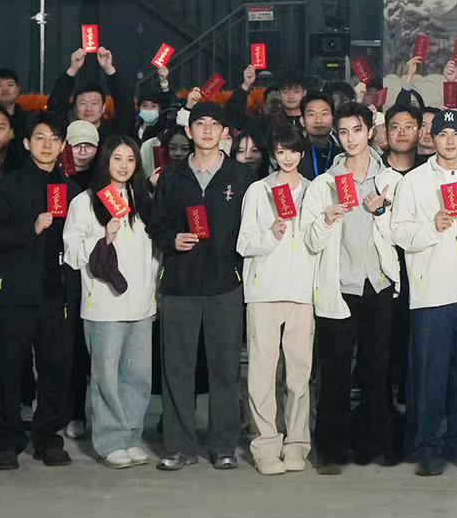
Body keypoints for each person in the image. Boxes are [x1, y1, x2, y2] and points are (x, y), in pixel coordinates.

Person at [390, 108, 457, 476]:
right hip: (431, 292)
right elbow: (399, 232)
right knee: (428, 373)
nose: (450, 141)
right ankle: (424, 444)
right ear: (431, 138)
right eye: (442, 135)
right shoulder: (414, 182)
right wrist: (431, 226)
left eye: (456, 134)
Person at [147, 101, 253, 470]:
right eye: (200, 124)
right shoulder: (172, 177)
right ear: (189, 131)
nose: (207, 130)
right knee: (177, 369)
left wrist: (237, 269)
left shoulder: (242, 177)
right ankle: (179, 446)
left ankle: (223, 445)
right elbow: (155, 223)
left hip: (225, 286)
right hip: (180, 285)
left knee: (225, 368)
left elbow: (252, 227)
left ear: (224, 132)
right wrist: (171, 239)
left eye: (214, 124)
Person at [302, 108, 404, 473]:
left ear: (370, 131)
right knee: (335, 369)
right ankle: (331, 451)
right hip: (340, 284)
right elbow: (310, 240)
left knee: (377, 368)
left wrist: (382, 212)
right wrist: (327, 220)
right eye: (343, 132)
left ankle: (375, 444)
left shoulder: (391, 181)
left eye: (356, 130)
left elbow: (401, 234)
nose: (350, 138)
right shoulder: (323, 184)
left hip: (378, 282)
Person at [0, 113, 78, 470]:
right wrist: (30, 229)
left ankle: (48, 438)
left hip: (57, 294)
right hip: (16, 293)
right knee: (9, 367)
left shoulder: (72, 190)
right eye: (40, 138)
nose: (47, 145)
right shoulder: (9, 186)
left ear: (62, 146)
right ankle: (5, 441)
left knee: (56, 368)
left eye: (54, 139)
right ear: (25, 143)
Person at [64, 137, 159, 469]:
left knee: (138, 376)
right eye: (117, 158)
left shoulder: (143, 199)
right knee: (106, 375)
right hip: (104, 304)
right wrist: (103, 236)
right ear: (105, 161)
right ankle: (110, 441)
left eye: (130, 159)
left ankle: (132, 436)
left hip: (141, 303)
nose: (123, 166)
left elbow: (154, 252)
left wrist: (153, 289)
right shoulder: (85, 202)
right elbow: (72, 252)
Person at [236, 123, 324, 474]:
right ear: (273, 155)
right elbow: (244, 243)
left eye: (293, 151)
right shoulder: (258, 191)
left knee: (299, 373)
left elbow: (316, 241)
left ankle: (297, 443)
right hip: (264, 292)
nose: (287, 158)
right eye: (281, 151)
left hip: (302, 292)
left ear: (302, 153)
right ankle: (265, 445)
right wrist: (271, 235)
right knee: (262, 371)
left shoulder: (314, 191)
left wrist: (328, 221)